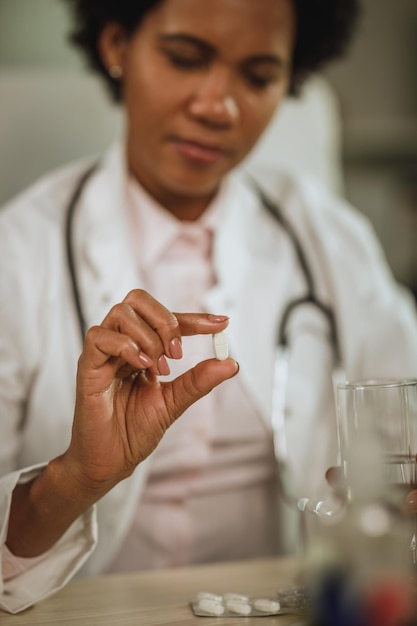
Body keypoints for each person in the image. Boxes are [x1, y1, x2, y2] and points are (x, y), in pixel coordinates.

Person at [1, 0, 417, 614]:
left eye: (257, 76)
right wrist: (75, 479)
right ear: (116, 45)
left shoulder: (325, 235)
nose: (217, 107)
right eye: (184, 59)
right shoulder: (18, 249)